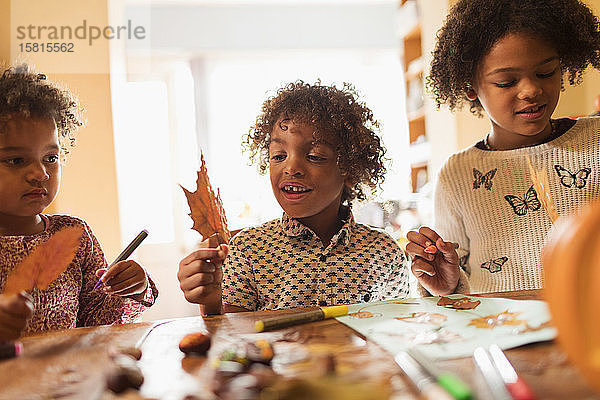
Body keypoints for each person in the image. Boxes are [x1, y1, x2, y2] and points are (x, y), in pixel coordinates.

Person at [405, 0, 600, 296]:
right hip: (503, 334)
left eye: (546, 73)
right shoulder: (457, 175)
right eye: (507, 82)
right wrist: (446, 286)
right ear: (471, 87)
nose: (531, 90)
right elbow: (456, 287)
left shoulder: (595, 140)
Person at [178, 81, 410, 314]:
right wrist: (210, 303)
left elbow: (395, 331)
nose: (291, 168)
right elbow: (232, 338)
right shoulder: (247, 249)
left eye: (315, 156)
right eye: (279, 156)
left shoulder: (384, 252)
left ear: (350, 170)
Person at [0, 65, 158, 338]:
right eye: (16, 160)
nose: (41, 173)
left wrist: (131, 287)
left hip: (69, 377)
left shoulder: (75, 236)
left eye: (50, 158)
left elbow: (100, 322)